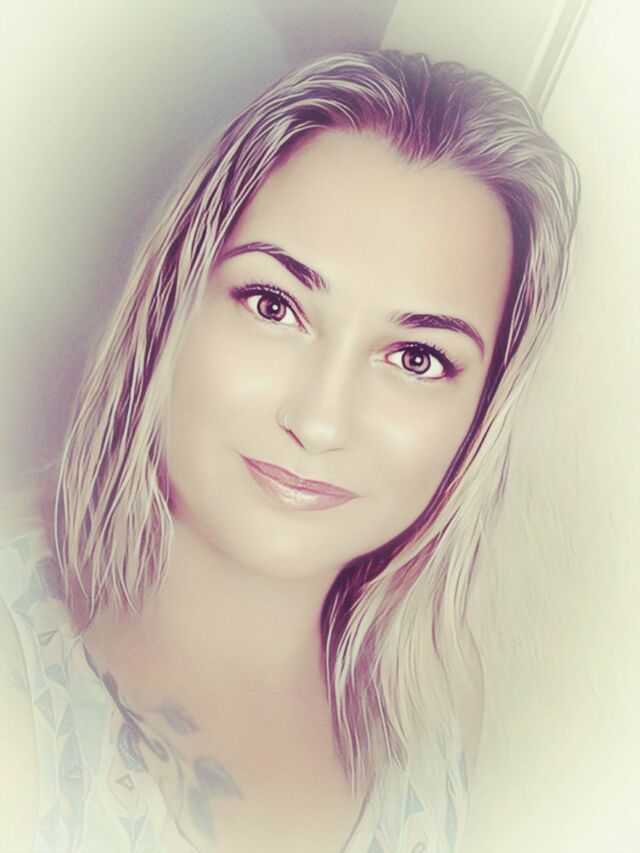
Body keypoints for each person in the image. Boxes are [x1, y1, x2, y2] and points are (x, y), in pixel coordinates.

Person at [0, 49, 578, 853]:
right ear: (173, 303)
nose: (320, 419)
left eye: (417, 357)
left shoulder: (431, 724)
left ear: (479, 414)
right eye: (275, 305)